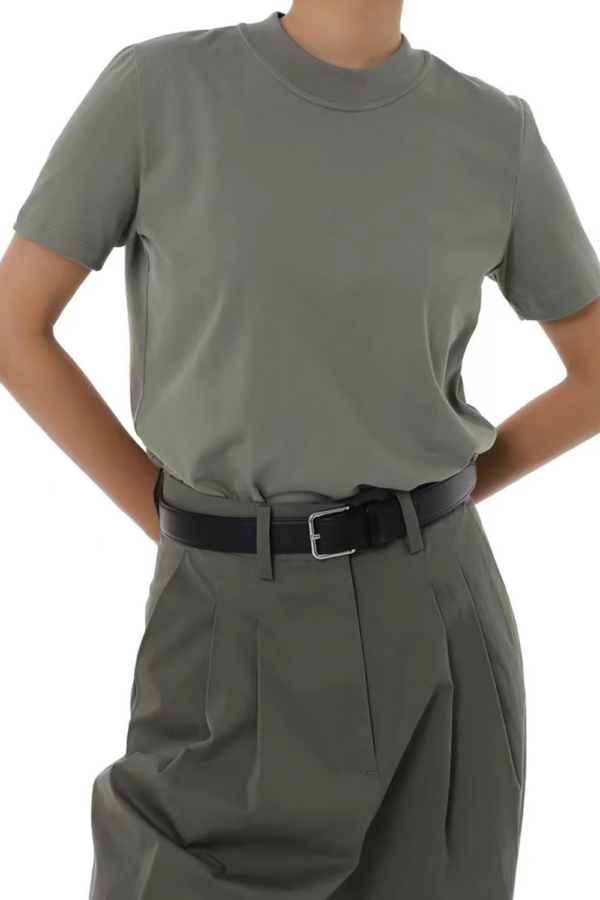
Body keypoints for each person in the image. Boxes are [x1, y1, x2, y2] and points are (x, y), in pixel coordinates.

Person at [1, 2, 599, 898]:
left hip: (438, 623)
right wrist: (172, 518)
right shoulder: (159, 90)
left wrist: (437, 501)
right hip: (227, 614)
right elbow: (15, 326)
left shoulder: (493, 131)